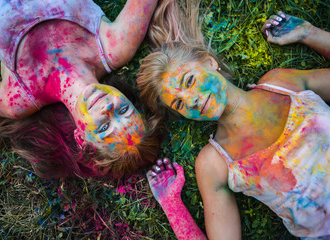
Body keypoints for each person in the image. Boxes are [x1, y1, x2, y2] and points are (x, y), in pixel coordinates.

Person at [137, 0, 330, 239]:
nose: (192, 100)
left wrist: (310, 33)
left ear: (210, 62)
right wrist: (171, 204)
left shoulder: (282, 84)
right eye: (179, 104)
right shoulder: (214, 164)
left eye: (189, 81)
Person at [0, 0, 163, 179]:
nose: (108, 109)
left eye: (104, 127)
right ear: (130, 100)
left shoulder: (18, 98)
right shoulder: (115, 47)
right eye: (123, 110)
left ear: (81, 138)